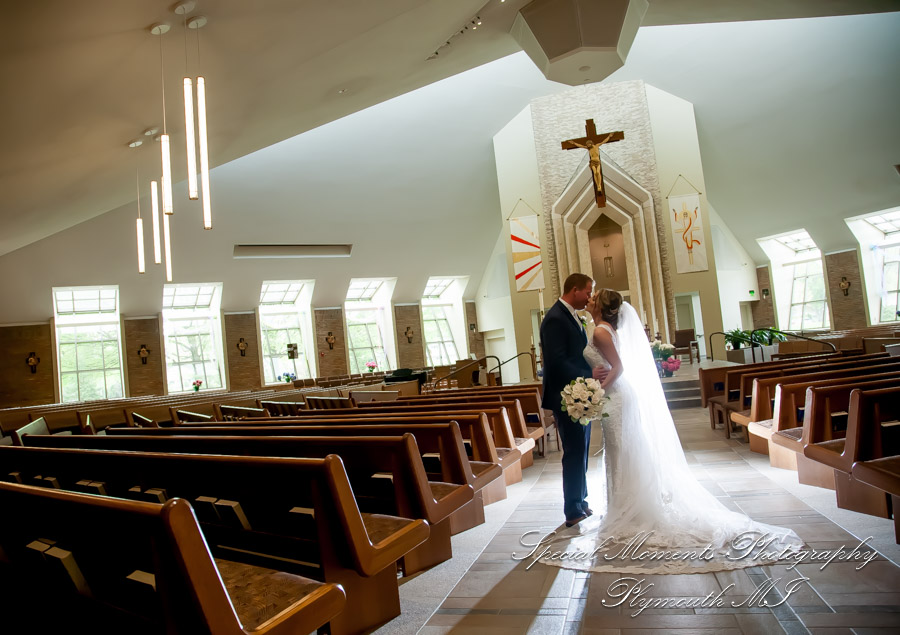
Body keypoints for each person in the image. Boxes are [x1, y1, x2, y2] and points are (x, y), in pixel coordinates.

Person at [539, 289, 804, 573]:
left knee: (622, 450)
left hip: (615, 397)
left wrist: (596, 389)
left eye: (594, 298)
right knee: (621, 452)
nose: (589, 299)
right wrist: (596, 387)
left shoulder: (601, 332)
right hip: (613, 398)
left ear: (602, 307)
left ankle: (632, 511)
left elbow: (619, 367)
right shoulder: (601, 328)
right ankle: (625, 508)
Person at [540, 273, 606, 527]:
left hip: (579, 395)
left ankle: (580, 500)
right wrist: (588, 374)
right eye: (587, 292)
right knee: (574, 452)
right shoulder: (555, 319)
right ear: (574, 290)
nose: (589, 297)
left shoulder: (570, 315)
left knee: (581, 449)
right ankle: (571, 510)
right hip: (566, 398)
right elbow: (556, 363)